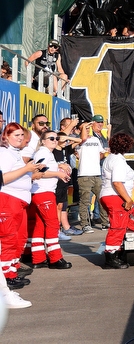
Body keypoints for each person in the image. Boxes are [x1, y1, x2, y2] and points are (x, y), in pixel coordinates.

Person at [0, 123, 44, 308]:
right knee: (8, 239)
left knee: (16, 239)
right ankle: (7, 278)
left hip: (17, 200)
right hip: (8, 200)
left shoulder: (13, 153)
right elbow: (3, 178)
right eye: (16, 135)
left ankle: (10, 274)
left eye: (21, 135)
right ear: (6, 136)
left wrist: (31, 172)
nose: (20, 138)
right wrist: (26, 170)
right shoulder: (5, 154)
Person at [28, 130, 72, 269]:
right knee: (53, 224)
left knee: (40, 226)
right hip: (43, 192)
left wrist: (59, 166)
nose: (55, 140)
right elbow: (38, 172)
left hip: (41, 192)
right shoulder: (43, 153)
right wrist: (59, 173)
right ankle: (55, 258)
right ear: (43, 141)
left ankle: (38, 258)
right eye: (51, 138)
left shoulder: (47, 153)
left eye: (56, 138)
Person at [100, 133, 134, 269]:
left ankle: (115, 253)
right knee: (117, 227)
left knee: (118, 226)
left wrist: (131, 181)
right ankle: (111, 257)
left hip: (108, 195)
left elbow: (116, 178)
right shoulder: (119, 161)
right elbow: (117, 182)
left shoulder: (111, 158)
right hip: (115, 197)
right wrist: (128, 199)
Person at [76, 116, 108, 233]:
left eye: (89, 127)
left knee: (102, 199)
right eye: (85, 128)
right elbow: (82, 140)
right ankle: (85, 224)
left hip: (96, 173)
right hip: (84, 175)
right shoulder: (78, 140)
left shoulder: (95, 140)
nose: (88, 129)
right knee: (85, 201)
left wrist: (94, 158)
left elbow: (102, 153)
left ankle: (105, 222)